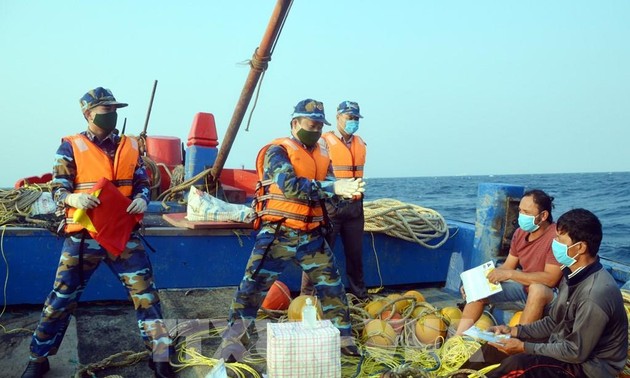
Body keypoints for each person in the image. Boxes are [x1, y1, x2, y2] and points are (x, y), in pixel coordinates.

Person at [21, 87, 174, 378]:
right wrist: (71, 198)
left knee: (146, 295)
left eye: (115, 109)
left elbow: (142, 181)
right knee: (61, 298)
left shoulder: (129, 146)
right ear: (88, 114)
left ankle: (161, 357)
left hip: (122, 234)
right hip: (84, 236)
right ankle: (37, 357)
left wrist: (143, 198)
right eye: (106, 110)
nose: (112, 115)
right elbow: (57, 188)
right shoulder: (70, 147)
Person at [217, 99, 365, 361]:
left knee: (333, 287)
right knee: (251, 289)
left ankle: (344, 340)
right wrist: (333, 188)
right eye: (312, 124)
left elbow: (328, 186)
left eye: (320, 125)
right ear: (295, 123)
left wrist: (344, 192)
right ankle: (234, 344)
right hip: (278, 233)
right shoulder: (278, 151)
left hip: (311, 235)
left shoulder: (321, 154)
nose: (317, 130)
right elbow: (292, 186)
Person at [485, 208, 628, 377]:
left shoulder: (594, 295)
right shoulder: (571, 275)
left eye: (559, 238)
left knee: (519, 364)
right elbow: (553, 322)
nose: (554, 242)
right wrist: (513, 331)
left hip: (588, 369)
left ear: (580, 247)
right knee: (493, 346)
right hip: (564, 347)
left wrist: (523, 347)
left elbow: (576, 352)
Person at [456, 189, 562, 335]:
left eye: (527, 212)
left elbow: (550, 279)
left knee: (536, 290)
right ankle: (457, 339)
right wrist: (476, 283)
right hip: (525, 290)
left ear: (543, 215)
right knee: (478, 291)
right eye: (520, 211)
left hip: (552, 297)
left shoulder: (556, 237)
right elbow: (507, 266)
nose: (521, 216)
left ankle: (518, 343)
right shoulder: (519, 233)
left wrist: (510, 274)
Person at [300, 100, 369, 300]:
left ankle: (359, 294)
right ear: (338, 117)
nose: (353, 122)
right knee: (320, 252)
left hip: (355, 207)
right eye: (350, 117)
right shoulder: (322, 142)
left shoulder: (360, 142)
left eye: (356, 118)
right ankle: (308, 296)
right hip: (331, 206)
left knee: (355, 254)